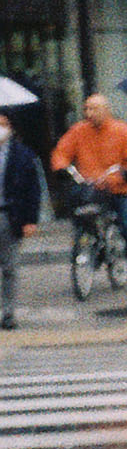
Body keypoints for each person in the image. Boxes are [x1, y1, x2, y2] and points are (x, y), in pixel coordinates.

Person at [49, 93, 127, 278]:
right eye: (86, 108)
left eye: (94, 108)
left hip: (119, 188)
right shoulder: (78, 131)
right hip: (90, 187)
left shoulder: (123, 130)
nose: (88, 112)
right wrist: (61, 168)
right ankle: (87, 244)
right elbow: (61, 152)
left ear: (106, 110)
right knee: (79, 213)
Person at [0, 115, 40, 327]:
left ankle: (8, 314)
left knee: (9, 268)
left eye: (3, 125)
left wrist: (31, 220)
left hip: (10, 215)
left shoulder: (23, 155)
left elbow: (33, 190)